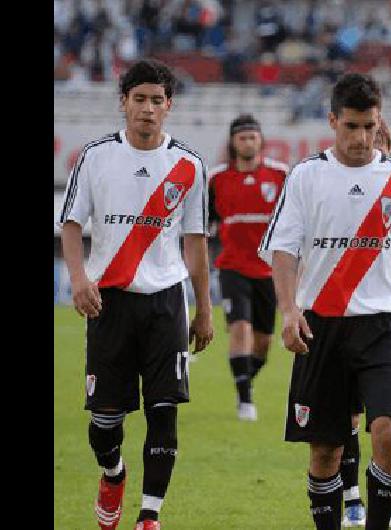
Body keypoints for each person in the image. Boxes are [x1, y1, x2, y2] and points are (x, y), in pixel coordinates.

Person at [258, 72, 391, 530]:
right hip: (321, 325)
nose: (361, 138)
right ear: (333, 120)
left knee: (388, 430)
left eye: (370, 127)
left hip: (384, 325)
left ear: (380, 123)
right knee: (326, 450)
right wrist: (289, 311)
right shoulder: (306, 176)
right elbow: (283, 250)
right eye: (352, 126)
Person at [57, 59, 214, 530]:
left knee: (164, 412)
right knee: (105, 425)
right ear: (123, 103)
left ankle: (149, 516)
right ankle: (113, 472)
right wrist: (79, 279)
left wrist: (203, 308)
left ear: (169, 107)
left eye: (157, 100)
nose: (148, 109)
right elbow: (69, 225)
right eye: (139, 99)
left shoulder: (188, 165)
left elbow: (196, 241)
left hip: (166, 299)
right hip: (109, 302)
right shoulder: (96, 156)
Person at [340, 118, 391, 528]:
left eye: (382, 140)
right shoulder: (341, 194)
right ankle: (352, 496)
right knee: (351, 418)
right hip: (349, 321)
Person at [208, 114, 288, 421]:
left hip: (269, 271)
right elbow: (205, 226)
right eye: (242, 137)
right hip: (232, 268)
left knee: (264, 343)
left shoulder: (281, 176)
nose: (248, 142)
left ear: (261, 140)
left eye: (253, 136)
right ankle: (245, 400)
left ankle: (244, 378)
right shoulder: (216, 180)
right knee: (239, 327)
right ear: (233, 142)